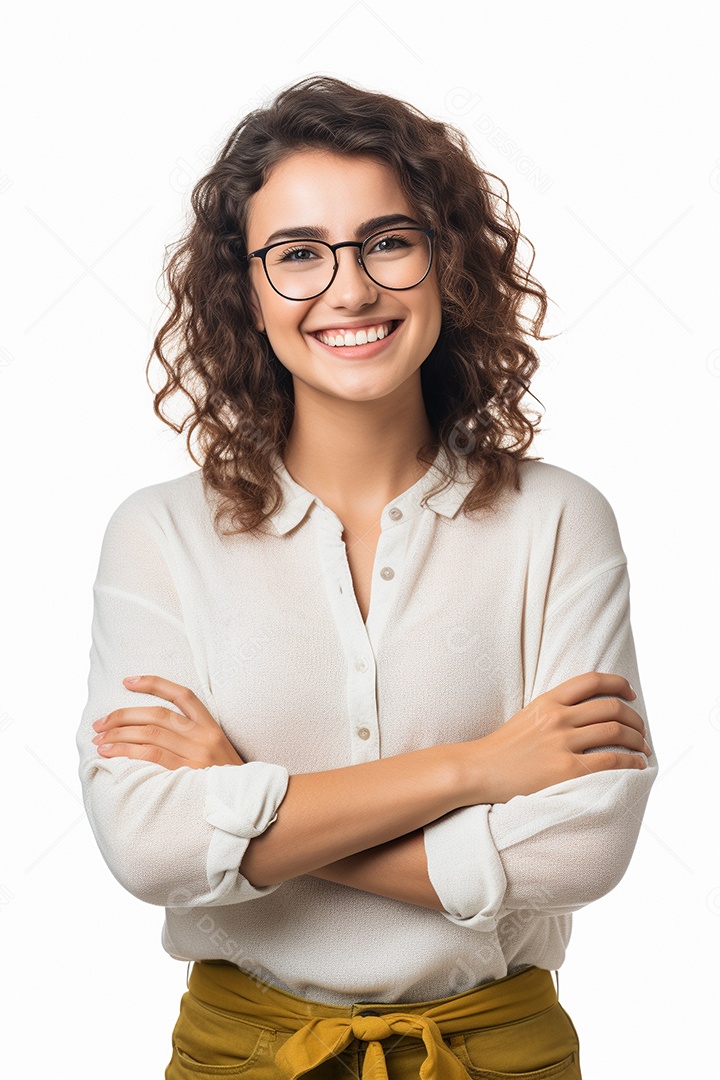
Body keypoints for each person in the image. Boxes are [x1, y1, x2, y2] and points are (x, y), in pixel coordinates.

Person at [76, 76, 657, 1080]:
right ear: (247, 291)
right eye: (298, 255)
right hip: (243, 1057)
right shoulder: (157, 534)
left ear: (449, 265)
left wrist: (244, 804)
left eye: (388, 241)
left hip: (495, 1056)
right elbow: (148, 846)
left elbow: (581, 849)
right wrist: (476, 770)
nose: (349, 290)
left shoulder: (559, 521)